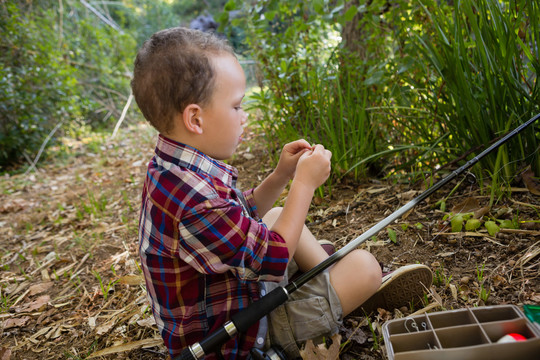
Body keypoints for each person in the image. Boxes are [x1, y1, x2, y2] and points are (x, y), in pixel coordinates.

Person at [132, 27, 432, 360]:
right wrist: (303, 184)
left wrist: (280, 176)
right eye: (236, 107)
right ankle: (348, 294)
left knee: (273, 216)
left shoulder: (173, 170)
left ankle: (340, 292)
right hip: (236, 338)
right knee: (365, 267)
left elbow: (241, 213)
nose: (244, 117)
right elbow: (272, 258)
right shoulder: (194, 201)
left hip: (237, 299)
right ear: (195, 119)